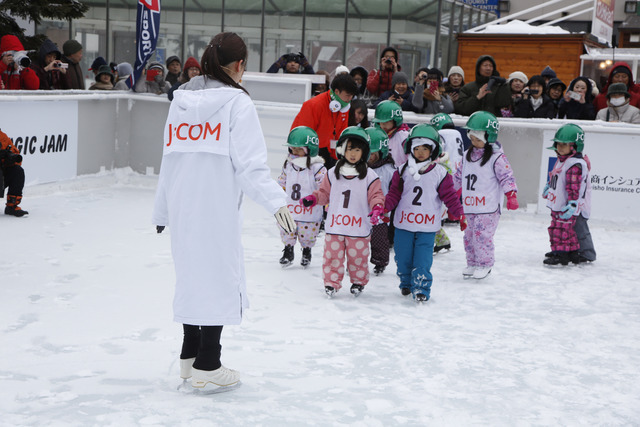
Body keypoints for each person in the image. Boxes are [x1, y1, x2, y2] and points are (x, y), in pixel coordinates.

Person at [152, 32, 295, 392]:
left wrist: (163, 210)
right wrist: (277, 202)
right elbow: (250, 167)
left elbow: (168, 160)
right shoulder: (237, 104)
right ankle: (208, 364)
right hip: (215, 207)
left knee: (191, 276)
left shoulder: (179, 102)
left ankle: (189, 356)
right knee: (216, 278)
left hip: (184, 205)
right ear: (240, 65)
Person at [299, 127, 385, 297]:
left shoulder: (370, 176)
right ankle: (331, 283)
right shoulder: (332, 173)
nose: (352, 154)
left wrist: (377, 208)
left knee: (357, 258)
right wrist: (314, 199)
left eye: (357, 150)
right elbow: (324, 193)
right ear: (342, 150)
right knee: (332, 257)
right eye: (349, 149)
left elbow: (376, 196)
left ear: (365, 152)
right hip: (335, 226)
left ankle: (358, 281)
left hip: (357, 228)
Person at [383, 124, 464, 301]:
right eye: (416, 148)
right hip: (404, 224)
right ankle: (405, 281)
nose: (420, 152)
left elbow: (449, 196)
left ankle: (421, 287)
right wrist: (384, 208)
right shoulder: (402, 170)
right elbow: (394, 194)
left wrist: (459, 213)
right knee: (403, 258)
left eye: (425, 148)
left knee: (423, 260)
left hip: (427, 227)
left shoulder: (441, 173)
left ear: (433, 150)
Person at [453, 111, 518, 280]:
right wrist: (451, 193)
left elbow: (506, 176)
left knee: (482, 236)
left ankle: (485, 264)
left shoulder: (497, 158)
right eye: (472, 138)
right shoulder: (467, 156)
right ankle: (473, 262)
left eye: (478, 139)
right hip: (470, 205)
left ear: (489, 137)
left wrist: (511, 194)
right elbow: (459, 177)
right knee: (469, 236)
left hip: (488, 207)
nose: (474, 142)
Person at [542, 124, 595, 265]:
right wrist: (549, 186)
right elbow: (557, 178)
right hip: (559, 204)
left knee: (562, 229)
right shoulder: (563, 160)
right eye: (558, 144)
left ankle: (563, 254)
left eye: (564, 144)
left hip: (567, 206)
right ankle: (569, 251)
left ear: (575, 146)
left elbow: (573, 187)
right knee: (561, 228)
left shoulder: (574, 164)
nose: (560, 147)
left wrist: (572, 203)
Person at [276, 126, 327, 268]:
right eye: (292, 148)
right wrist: (278, 192)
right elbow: (282, 180)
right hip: (291, 207)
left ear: (309, 149)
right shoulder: (289, 164)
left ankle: (306, 251)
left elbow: (324, 186)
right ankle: (288, 250)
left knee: (308, 234)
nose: (294, 152)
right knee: (287, 229)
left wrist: (319, 198)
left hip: (309, 210)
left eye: (298, 149)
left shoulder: (317, 168)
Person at [290, 73, 358, 167]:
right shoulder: (314, 105)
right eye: (347, 95)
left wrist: (339, 158)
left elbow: (341, 134)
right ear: (337, 92)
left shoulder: (344, 106)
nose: (349, 99)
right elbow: (302, 135)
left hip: (329, 151)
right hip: (309, 152)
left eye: (352, 96)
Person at [365, 126, 395, 275]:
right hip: (361, 213)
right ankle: (356, 261)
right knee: (358, 240)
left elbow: (395, 191)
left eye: (372, 153)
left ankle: (380, 262)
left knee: (379, 240)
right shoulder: (359, 169)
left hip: (381, 214)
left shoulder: (389, 170)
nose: (369, 156)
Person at [372, 100, 410, 168]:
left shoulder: (404, 136)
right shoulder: (376, 136)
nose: (383, 125)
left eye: (387, 121)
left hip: (400, 174)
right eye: (380, 121)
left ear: (395, 120)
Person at [1, 129, 28, 217]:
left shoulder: (3, 137)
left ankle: (12, 206)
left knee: (17, 171)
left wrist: (8, 159)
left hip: (1, 175)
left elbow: (16, 156)